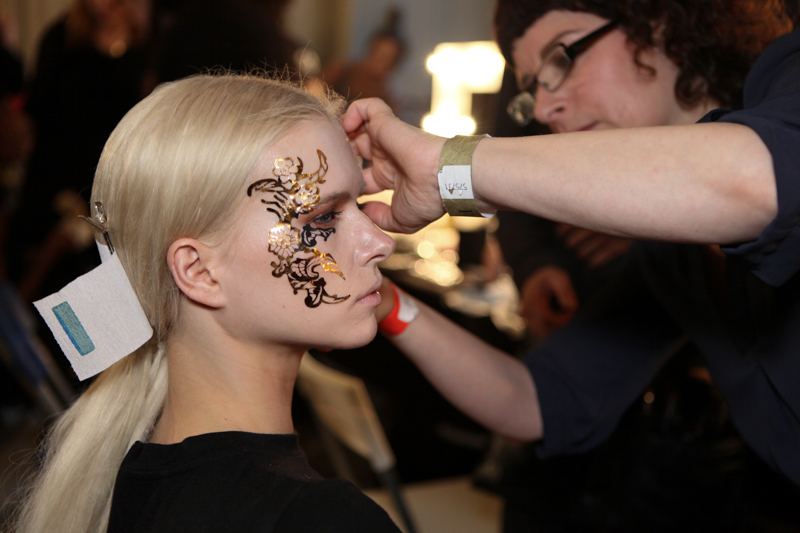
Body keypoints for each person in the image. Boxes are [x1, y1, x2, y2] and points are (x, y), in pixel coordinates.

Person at [346, 0, 800, 497]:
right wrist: (386, 300)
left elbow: (759, 183)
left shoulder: (789, 77)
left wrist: (448, 170)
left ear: (659, 22)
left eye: (561, 58)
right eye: (533, 90)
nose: (543, 109)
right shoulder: (671, 257)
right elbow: (533, 402)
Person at [13, 74, 400, 533]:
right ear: (198, 271)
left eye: (360, 204)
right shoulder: (318, 519)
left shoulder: (126, 479)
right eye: (323, 218)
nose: (380, 242)